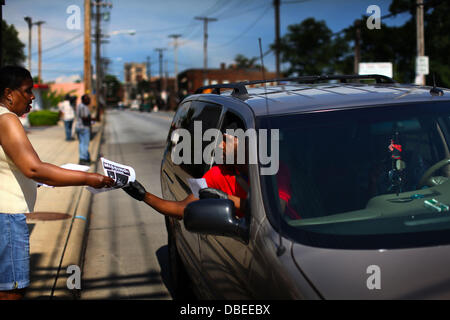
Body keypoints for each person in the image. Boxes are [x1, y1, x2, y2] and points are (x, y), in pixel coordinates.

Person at [0, 66, 115, 300]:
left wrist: (40, 179)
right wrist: (89, 177)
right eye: (27, 91)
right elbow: (33, 168)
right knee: (11, 290)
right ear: (9, 93)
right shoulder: (7, 119)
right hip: (7, 217)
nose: (32, 96)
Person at [75, 94, 92, 165]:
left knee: (81, 143)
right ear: (84, 100)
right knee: (85, 144)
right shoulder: (83, 107)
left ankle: (86, 158)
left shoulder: (79, 105)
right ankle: (83, 159)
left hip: (79, 127)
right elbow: (84, 118)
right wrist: (93, 119)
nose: (89, 100)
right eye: (87, 99)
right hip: (84, 127)